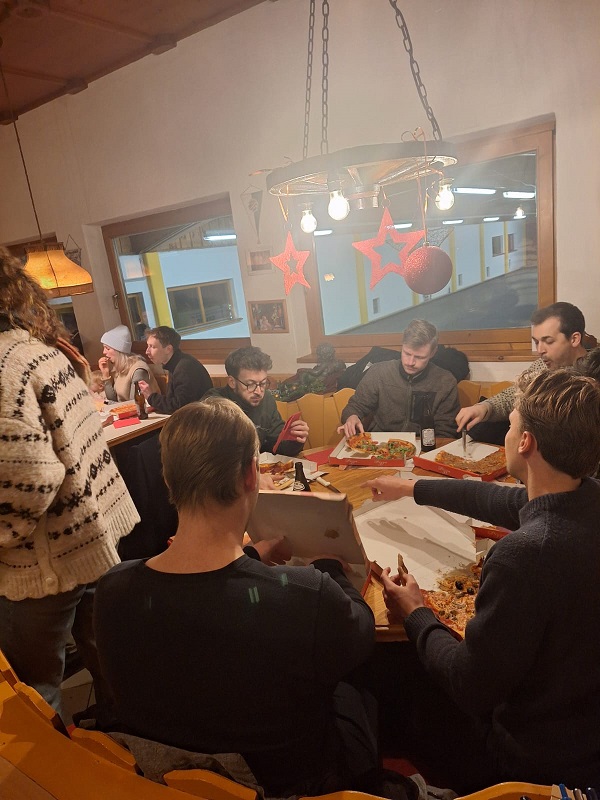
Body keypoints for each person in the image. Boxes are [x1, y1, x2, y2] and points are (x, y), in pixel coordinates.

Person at [94, 397, 378, 797]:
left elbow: (205, 605)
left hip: (162, 781)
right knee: (361, 690)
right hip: (289, 783)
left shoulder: (112, 589)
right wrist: (330, 567)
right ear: (250, 474)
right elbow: (362, 631)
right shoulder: (307, 596)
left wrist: (250, 556)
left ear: (169, 479)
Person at [365, 369, 600, 791]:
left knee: (396, 676)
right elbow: (496, 498)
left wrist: (417, 612)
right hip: (584, 722)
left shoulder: (526, 555)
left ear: (525, 442)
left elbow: (468, 684)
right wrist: (411, 488)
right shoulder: (587, 497)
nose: (506, 435)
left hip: (532, 758)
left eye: (510, 427)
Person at [0, 247, 140, 722]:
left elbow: (29, 477)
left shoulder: (4, 366)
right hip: (94, 540)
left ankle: (65, 766)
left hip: (45, 559)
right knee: (112, 664)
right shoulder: (41, 350)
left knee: (34, 694)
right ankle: (127, 748)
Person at [456, 302, 588, 444]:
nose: (540, 350)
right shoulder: (542, 365)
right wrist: (485, 408)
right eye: (536, 342)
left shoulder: (592, 373)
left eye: (548, 341)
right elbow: (515, 394)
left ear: (574, 339)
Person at [339, 320, 459, 439]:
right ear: (402, 346)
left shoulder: (445, 382)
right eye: (407, 353)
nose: (410, 362)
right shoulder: (379, 372)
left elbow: (446, 433)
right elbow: (355, 407)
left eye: (419, 357)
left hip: (424, 444)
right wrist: (352, 417)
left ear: (433, 353)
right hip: (380, 443)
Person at [204, 346, 309, 455]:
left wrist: (294, 439)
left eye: (263, 383)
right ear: (232, 382)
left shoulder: (266, 399)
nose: (258, 392)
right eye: (250, 384)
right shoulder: (214, 405)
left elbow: (275, 447)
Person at [138, 325, 213, 413]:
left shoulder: (184, 368)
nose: (147, 352)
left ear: (168, 349)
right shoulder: (176, 363)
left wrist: (151, 397)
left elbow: (180, 407)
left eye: (152, 347)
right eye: (148, 346)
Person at [98, 324, 159, 401]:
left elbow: (135, 403)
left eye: (107, 348)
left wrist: (105, 403)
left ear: (119, 351)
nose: (104, 352)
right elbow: (113, 399)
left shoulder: (138, 370)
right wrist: (105, 374)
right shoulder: (120, 368)